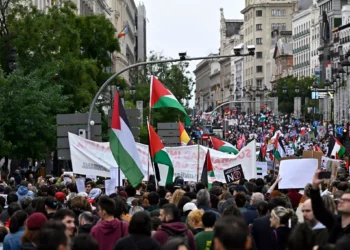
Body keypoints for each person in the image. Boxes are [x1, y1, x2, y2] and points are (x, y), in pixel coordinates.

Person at [311, 169, 350, 243]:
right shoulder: (335, 222)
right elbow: (319, 211)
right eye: (341, 199)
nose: (341, 201)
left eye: (346, 200)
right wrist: (315, 187)